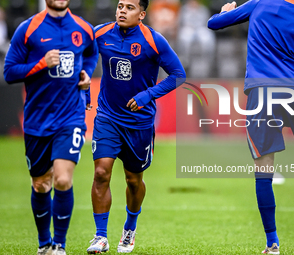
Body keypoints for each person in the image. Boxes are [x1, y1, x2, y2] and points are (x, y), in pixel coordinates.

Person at [208, 0, 294, 254]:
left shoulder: (259, 4)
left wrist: (225, 12)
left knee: (264, 169)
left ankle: (272, 244)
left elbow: (214, 24)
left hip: (260, 93)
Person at [86, 0, 186, 253]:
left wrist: (147, 95)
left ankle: (129, 229)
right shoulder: (99, 32)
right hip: (107, 116)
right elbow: (83, 56)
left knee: (133, 180)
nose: (122, 10)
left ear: (142, 14)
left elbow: (178, 75)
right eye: (120, 5)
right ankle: (100, 237)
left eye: (129, 7)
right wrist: (84, 85)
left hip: (139, 122)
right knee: (101, 173)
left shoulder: (153, 40)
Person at [3, 0, 98, 254]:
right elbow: (9, 72)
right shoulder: (28, 29)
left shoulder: (83, 28)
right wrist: (41, 64)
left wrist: (87, 74)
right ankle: (44, 243)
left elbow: (91, 53)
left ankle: (60, 245)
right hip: (37, 120)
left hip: (71, 117)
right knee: (40, 185)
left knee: (63, 180)